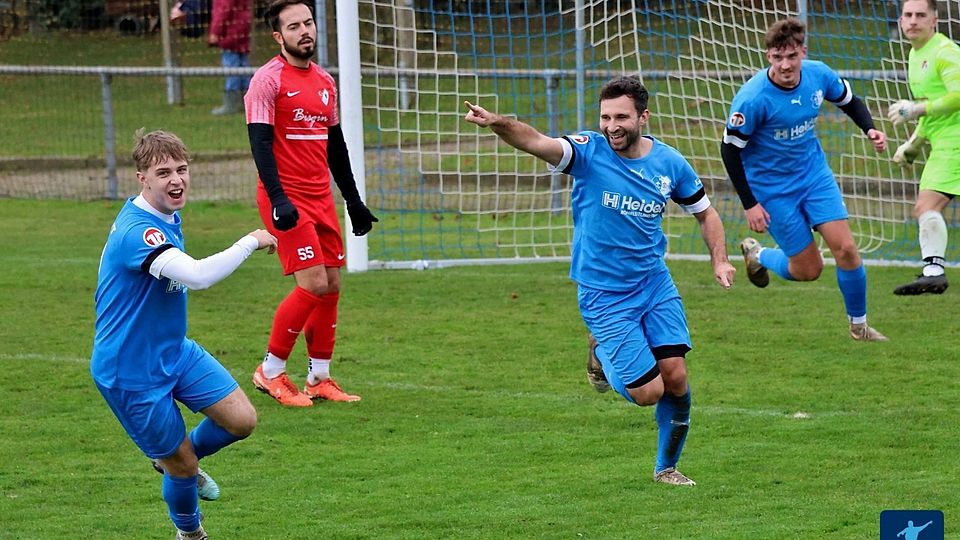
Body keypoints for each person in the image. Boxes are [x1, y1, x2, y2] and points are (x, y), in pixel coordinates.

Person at [464, 75, 737, 486]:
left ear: (643, 117)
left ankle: (667, 469)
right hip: (604, 294)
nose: (612, 125)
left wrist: (720, 261)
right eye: (606, 116)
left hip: (654, 283)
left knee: (676, 376)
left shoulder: (669, 163)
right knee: (649, 393)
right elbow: (535, 141)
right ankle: (601, 357)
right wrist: (497, 122)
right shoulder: (588, 152)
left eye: (622, 117)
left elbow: (706, 213)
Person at [91, 130, 277, 539]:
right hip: (130, 371)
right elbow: (196, 276)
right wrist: (251, 239)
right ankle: (190, 532)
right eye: (163, 172)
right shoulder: (140, 233)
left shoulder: (164, 214)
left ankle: (172, 458)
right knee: (184, 466)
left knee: (241, 420)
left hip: (173, 351)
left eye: (181, 169)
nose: (176, 180)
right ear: (142, 178)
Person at [720, 17, 890, 341]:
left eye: (792, 56)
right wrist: (750, 203)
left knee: (848, 249)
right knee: (809, 270)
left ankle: (859, 326)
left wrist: (869, 129)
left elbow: (849, 100)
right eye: (777, 57)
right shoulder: (753, 99)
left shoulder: (818, 74)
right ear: (768, 56)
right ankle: (758, 255)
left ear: (803, 52)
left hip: (813, 176)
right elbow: (729, 151)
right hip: (772, 191)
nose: (785, 65)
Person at [244, 0, 378, 407]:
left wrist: (353, 200)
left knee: (332, 284)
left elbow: (335, 148)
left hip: (320, 197)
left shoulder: (324, 82)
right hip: (284, 198)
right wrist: (280, 198)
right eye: (294, 26)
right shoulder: (267, 81)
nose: (305, 31)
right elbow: (260, 144)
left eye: (309, 23)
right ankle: (269, 372)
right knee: (313, 283)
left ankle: (319, 377)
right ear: (278, 36)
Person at [887, 0, 960, 295]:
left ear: (935, 20)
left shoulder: (945, 52)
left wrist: (916, 109)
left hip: (955, 141)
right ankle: (933, 271)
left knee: (926, 206)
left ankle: (934, 272)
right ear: (901, 21)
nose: (913, 21)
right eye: (908, 15)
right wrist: (913, 144)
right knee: (926, 206)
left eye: (920, 15)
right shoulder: (915, 55)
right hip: (945, 140)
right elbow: (932, 112)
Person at [171, 0, 252, 115]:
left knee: (231, 66)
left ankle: (231, 103)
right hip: (242, 27)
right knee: (243, 65)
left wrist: (215, 32)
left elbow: (222, 11)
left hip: (230, 30)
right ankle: (248, 101)